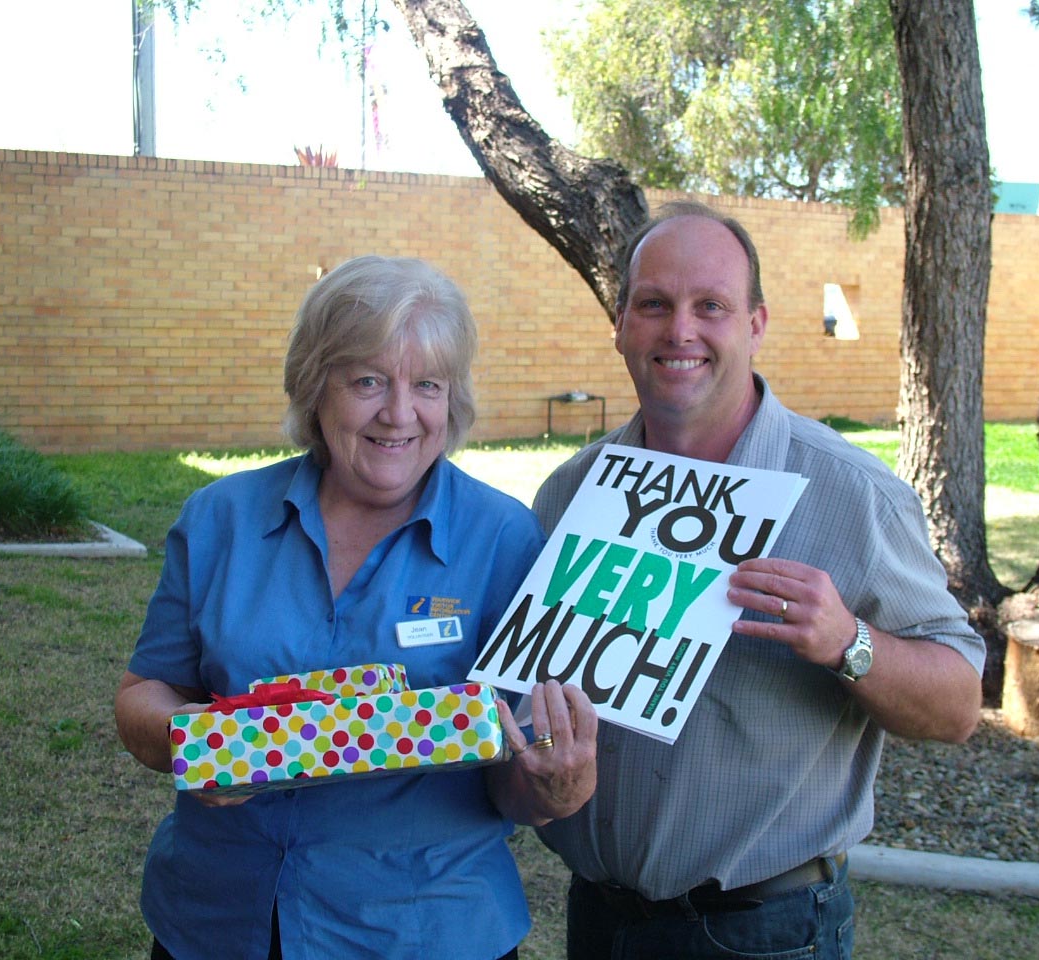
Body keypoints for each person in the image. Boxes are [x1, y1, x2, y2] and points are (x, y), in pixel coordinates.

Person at [531, 201, 985, 960]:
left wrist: (849, 642)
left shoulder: (851, 494)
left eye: (711, 305)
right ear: (620, 326)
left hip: (766, 933)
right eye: (654, 305)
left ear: (756, 325)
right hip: (600, 921)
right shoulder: (570, 496)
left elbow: (960, 706)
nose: (681, 330)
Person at [115, 254, 597, 960]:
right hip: (221, 920)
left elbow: (511, 775)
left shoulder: (503, 538)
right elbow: (145, 690)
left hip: (427, 931)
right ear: (317, 387)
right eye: (368, 380)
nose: (399, 414)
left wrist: (554, 786)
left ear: (451, 401)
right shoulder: (221, 518)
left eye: (427, 385)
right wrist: (189, 739)